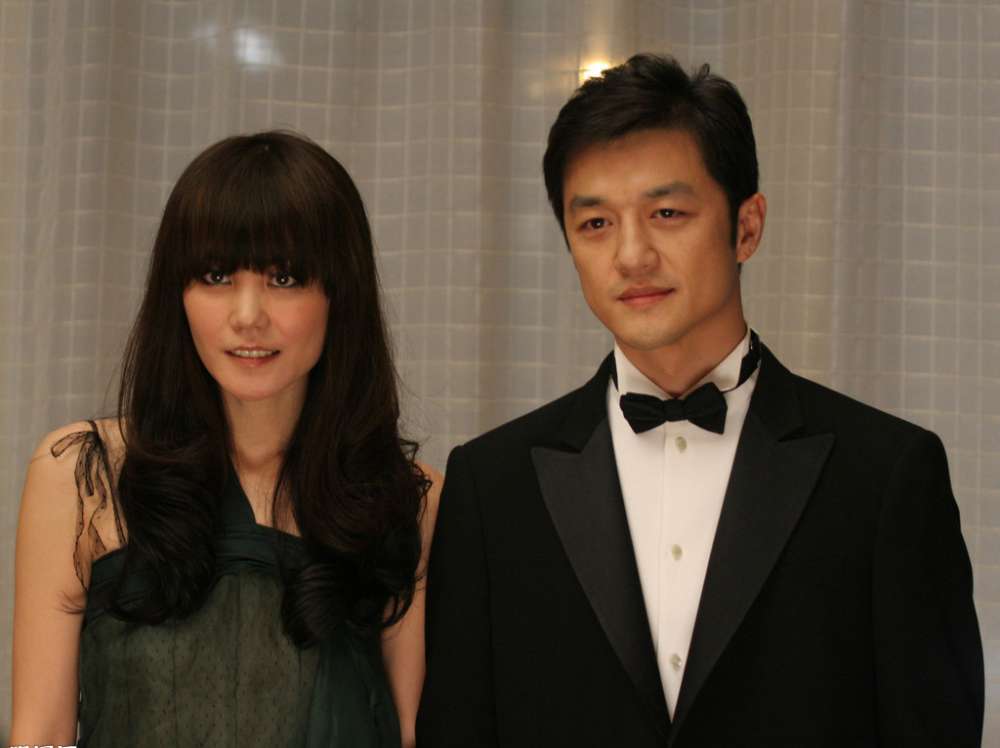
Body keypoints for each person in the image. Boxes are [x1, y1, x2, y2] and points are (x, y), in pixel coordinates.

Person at [417, 54, 983, 747]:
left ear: (747, 226)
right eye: (595, 224)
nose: (631, 255)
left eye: (667, 213)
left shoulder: (886, 475)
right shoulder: (491, 486)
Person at [11, 131, 439, 747]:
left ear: (339, 294)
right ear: (177, 294)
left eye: (285, 278)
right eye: (216, 275)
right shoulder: (83, 477)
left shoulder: (408, 500)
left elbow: (408, 733)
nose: (247, 316)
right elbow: (42, 735)